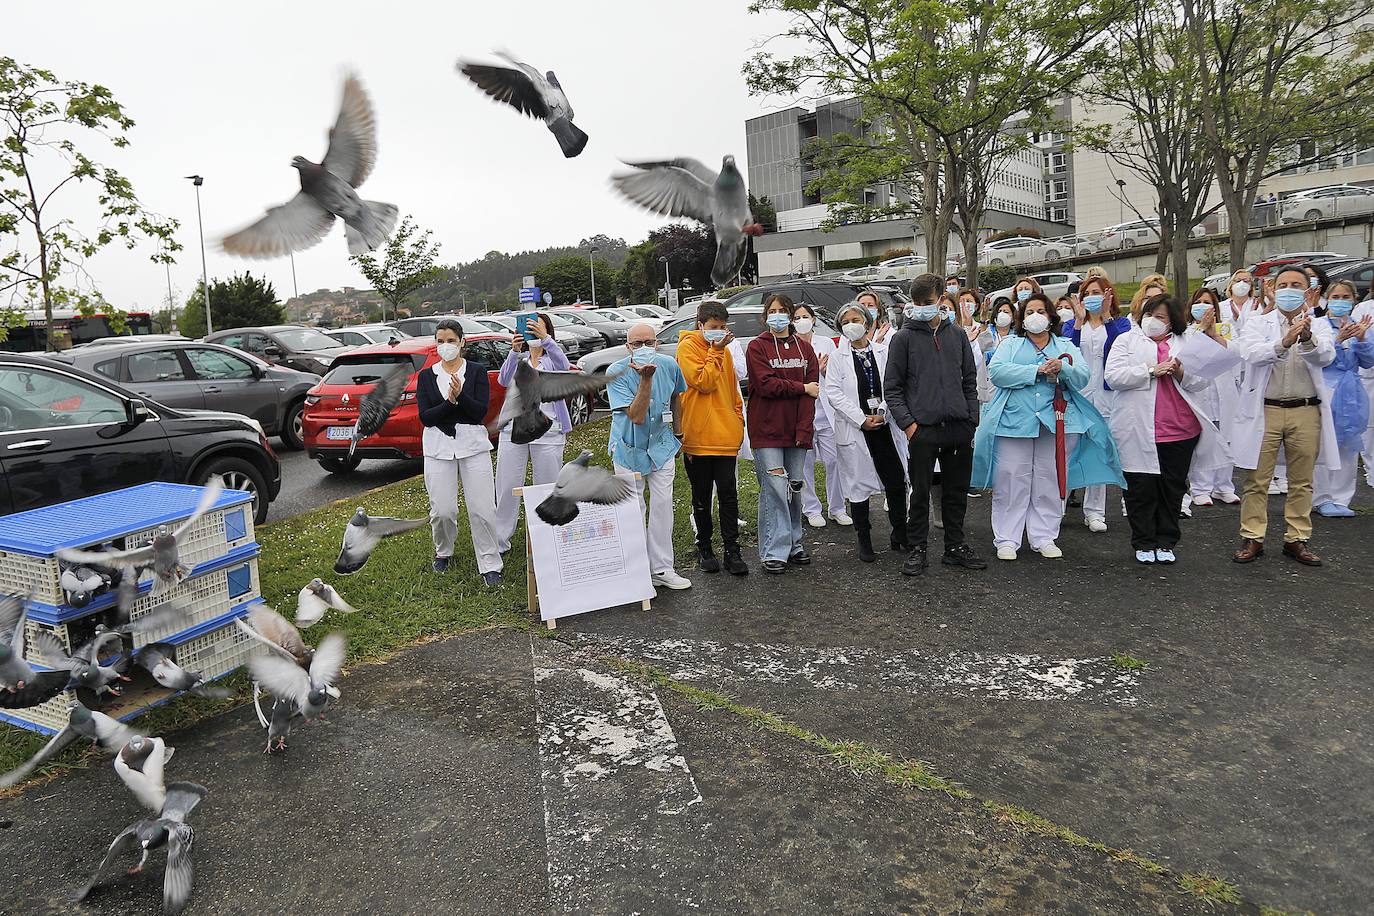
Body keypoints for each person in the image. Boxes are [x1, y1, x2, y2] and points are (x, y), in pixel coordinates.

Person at [972, 293, 1123, 560]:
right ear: (1022, 319)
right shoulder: (1011, 344)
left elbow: (1082, 377)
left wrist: (1063, 368)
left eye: (1041, 311)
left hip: (1056, 422)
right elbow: (998, 372)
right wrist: (1036, 371)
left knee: (1049, 477)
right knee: (1011, 478)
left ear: (1051, 317)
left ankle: (1044, 536)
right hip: (1014, 422)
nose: (1035, 317)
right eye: (1029, 312)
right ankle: (1007, 538)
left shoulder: (1064, 345)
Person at [1106, 294, 1228, 564]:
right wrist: (1151, 370)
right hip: (1137, 428)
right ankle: (1143, 540)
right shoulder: (1126, 340)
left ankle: (1166, 540)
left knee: (1172, 489)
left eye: (1160, 317)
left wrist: (1180, 372)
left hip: (1179, 429)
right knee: (1140, 488)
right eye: (1149, 315)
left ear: (1172, 321)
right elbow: (1113, 377)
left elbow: (1201, 382)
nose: (1153, 321)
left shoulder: (1186, 342)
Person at [1231, 267, 1338, 566]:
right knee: (1257, 478)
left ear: (1307, 291)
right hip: (1266, 409)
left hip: (1305, 409)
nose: (1289, 290)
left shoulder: (1319, 324)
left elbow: (1326, 356)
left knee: (1302, 479)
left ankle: (1297, 538)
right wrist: (1284, 341)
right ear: (1273, 290)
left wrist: (1307, 339)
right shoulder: (1257, 322)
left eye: (1296, 285)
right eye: (1283, 285)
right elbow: (1253, 354)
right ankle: (1253, 536)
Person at [883, 273, 986, 576]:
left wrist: (971, 418)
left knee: (956, 491)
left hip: (958, 426)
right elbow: (893, 388)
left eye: (927, 302)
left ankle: (955, 546)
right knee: (920, 492)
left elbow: (969, 379)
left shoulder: (956, 335)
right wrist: (909, 425)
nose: (922, 307)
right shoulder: (903, 338)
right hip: (923, 429)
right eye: (917, 302)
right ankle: (918, 548)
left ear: (941, 299)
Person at [416, 319, 503, 585]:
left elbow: (478, 412)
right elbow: (426, 417)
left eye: (451, 341)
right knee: (443, 510)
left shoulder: (476, 371)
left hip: (473, 446)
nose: (446, 346)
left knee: (482, 508)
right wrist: (450, 403)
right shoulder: (427, 376)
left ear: (462, 342)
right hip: (438, 448)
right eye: (440, 341)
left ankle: (490, 563)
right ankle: (443, 551)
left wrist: (461, 396)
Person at [607, 323, 691, 590]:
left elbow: (677, 397)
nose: (643, 348)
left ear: (657, 343)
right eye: (637, 343)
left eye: (648, 342)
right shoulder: (616, 372)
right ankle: (637, 571)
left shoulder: (669, 364)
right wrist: (645, 380)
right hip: (629, 448)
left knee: (663, 505)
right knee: (633, 510)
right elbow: (636, 416)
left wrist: (678, 434)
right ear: (628, 347)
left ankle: (662, 568)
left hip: (662, 446)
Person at [825, 302, 909, 561]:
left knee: (896, 480)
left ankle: (900, 533)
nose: (851, 325)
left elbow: (895, 383)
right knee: (858, 486)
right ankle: (864, 538)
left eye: (855, 320)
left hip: (884, 425)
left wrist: (883, 411)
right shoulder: (837, 357)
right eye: (845, 322)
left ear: (867, 322)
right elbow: (833, 393)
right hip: (856, 428)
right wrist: (861, 419)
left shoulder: (884, 352)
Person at [746, 293, 821, 574]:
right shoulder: (757, 347)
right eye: (771, 311)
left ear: (790, 315)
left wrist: (804, 429)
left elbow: (813, 392)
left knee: (794, 488)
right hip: (766, 430)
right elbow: (766, 385)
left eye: (781, 311)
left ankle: (794, 544)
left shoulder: (805, 350)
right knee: (775, 488)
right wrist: (801, 388)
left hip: (796, 430)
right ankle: (773, 550)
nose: (776, 315)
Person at [676, 300, 749, 575]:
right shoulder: (687, 348)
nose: (719, 331)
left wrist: (737, 421)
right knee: (701, 496)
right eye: (713, 326)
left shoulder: (725, 351)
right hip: (697, 437)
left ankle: (732, 549)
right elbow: (703, 382)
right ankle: (705, 547)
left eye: (722, 326)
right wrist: (715, 351)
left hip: (725, 435)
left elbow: (732, 390)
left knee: (729, 495)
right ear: (701, 325)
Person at [493, 313, 570, 555]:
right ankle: (500, 540)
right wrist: (514, 351)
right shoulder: (520, 358)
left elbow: (564, 368)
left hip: (549, 430)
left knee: (546, 486)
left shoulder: (552, 358)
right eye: (530, 327)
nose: (533, 331)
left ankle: (546, 538)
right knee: (507, 486)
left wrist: (546, 340)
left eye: (538, 327)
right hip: (514, 430)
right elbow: (503, 380)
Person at [1062, 274, 1133, 532]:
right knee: (1067, 451)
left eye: (1097, 292)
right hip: (1076, 395)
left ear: (1108, 295)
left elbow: (1120, 348)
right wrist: (1079, 321)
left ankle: (1094, 512)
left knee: (1099, 451)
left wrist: (1106, 317)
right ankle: (1056, 508)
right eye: (1088, 293)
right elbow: (1067, 353)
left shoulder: (1121, 324)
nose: (1092, 297)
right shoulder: (1071, 325)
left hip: (1106, 397)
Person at [1312, 280, 1374, 516]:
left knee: (1349, 444)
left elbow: (1368, 361)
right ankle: (1321, 497)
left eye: (1345, 297)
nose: (1340, 302)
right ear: (1327, 299)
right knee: (1323, 444)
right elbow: (1319, 357)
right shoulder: (1318, 325)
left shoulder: (1359, 326)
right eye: (1335, 297)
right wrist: (1337, 341)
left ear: (1354, 300)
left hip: (1352, 392)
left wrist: (1362, 339)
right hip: (1325, 389)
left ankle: (1341, 498)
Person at [1184, 287, 1242, 506]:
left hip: (1224, 391)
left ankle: (1224, 486)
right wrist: (1201, 332)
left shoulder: (1225, 328)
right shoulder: (1186, 331)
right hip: (1200, 392)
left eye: (1207, 302)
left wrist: (1214, 335)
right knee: (1204, 442)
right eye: (1198, 301)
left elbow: (1236, 353)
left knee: (1226, 439)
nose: (1203, 306)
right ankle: (1200, 487)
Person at [793, 302, 849, 527]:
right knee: (805, 464)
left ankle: (837, 508)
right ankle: (811, 508)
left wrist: (823, 370)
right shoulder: (790, 346)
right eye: (797, 318)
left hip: (826, 413)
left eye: (805, 316)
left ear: (813, 319)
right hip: (802, 414)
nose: (802, 321)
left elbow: (836, 374)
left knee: (834, 460)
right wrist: (812, 369)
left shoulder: (825, 343)